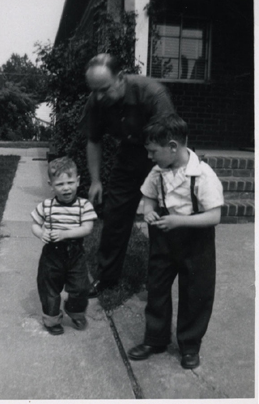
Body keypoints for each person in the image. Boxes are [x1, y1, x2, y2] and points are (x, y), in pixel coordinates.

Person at [127, 114, 224, 369]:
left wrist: (179, 221)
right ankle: (155, 339)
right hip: (164, 240)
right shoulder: (158, 172)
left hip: (196, 240)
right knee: (157, 287)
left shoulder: (202, 174)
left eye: (153, 151)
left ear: (173, 147)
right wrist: (148, 210)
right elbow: (148, 196)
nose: (150, 157)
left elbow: (214, 216)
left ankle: (189, 345)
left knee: (196, 293)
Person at [83, 53, 176, 298]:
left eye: (104, 89)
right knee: (115, 217)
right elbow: (93, 141)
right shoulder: (97, 100)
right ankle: (107, 278)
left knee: (161, 220)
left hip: (162, 157)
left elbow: (167, 143)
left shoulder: (153, 94)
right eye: (94, 91)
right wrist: (95, 180)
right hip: (129, 157)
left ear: (121, 78)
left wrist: (157, 184)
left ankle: (158, 281)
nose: (99, 97)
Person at [31, 157, 97, 335]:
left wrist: (65, 234)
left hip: (75, 254)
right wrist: (40, 233)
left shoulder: (84, 206)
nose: (66, 188)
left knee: (81, 287)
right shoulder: (46, 206)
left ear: (78, 181)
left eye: (70, 182)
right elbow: (35, 224)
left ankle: (75, 312)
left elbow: (87, 228)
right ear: (50, 185)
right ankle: (52, 321)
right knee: (49, 289)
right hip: (52, 255)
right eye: (60, 184)